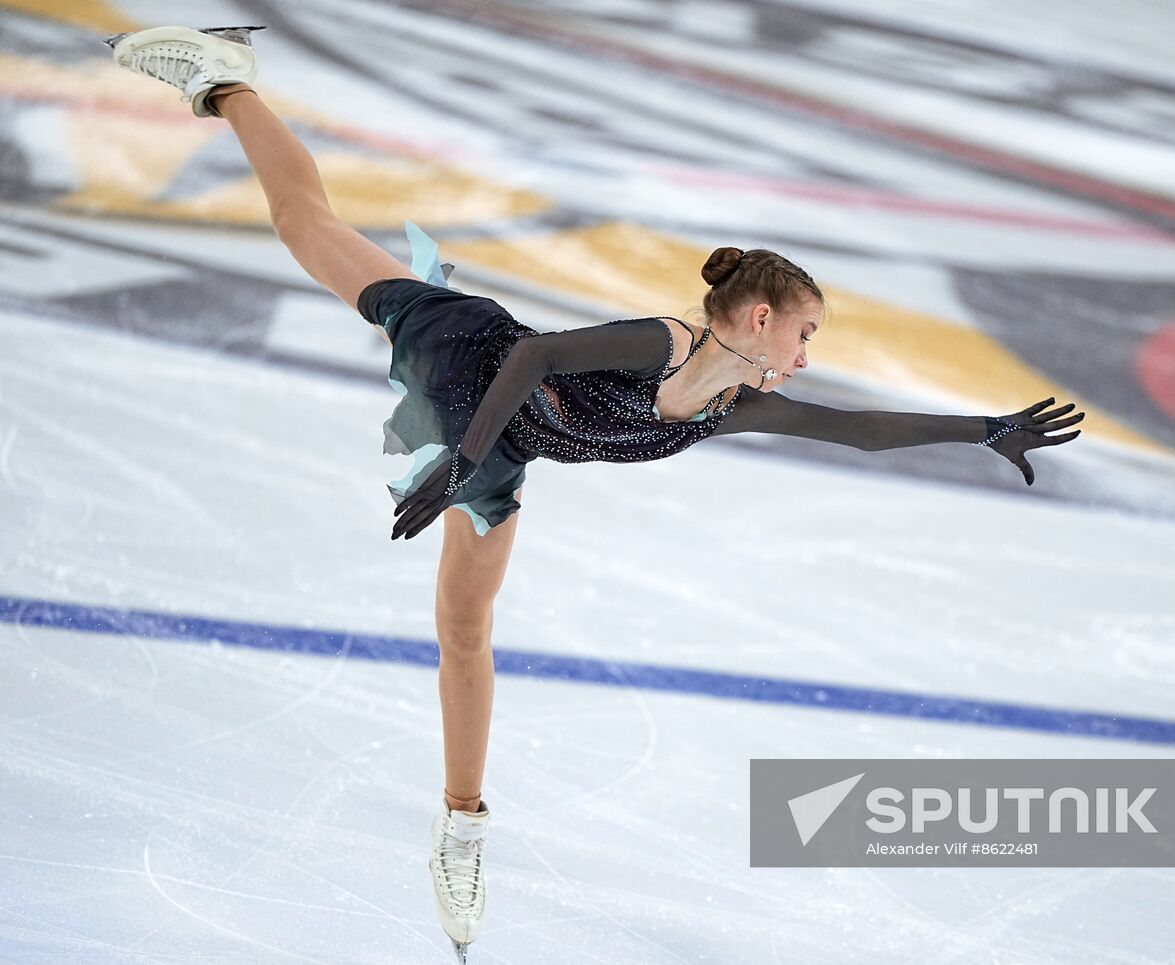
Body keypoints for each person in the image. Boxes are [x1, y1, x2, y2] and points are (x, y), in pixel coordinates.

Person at [107, 25, 1085, 959]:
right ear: (753, 316)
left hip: (495, 444)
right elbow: (532, 350)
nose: (806, 354)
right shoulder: (667, 342)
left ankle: (461, 823)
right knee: (305, 224)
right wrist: (456, 452)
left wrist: (981, 429)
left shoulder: (726, 406)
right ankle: (226, 80)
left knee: (461, 629)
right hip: (470, 359)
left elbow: (856, 429)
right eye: (805, 333)